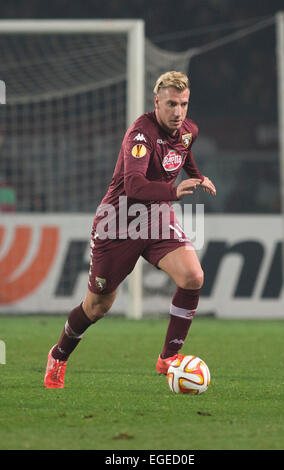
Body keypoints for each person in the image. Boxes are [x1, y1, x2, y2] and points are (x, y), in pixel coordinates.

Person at [44, 71, 216, 388]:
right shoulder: (140, 134)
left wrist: (199, 175)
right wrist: (174, 192)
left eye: (184, 104)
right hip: (118, 223)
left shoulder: (188, 130)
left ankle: (168, 358)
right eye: (171, 104)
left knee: (193, 277)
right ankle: (59, 355)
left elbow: (184, 152)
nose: (178, 112)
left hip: (158, 218)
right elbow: (135, 185)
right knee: (97, 307)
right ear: (156, 102)